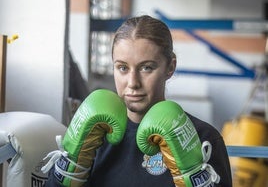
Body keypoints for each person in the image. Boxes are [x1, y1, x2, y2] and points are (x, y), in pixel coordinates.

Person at [45, 15, 232, 186]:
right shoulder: (93, 133)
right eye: (123, 68)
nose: (133, 83)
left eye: (146, 68)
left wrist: (194, 176)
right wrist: (69, 167)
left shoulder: (203, 138)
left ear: (170, 67)